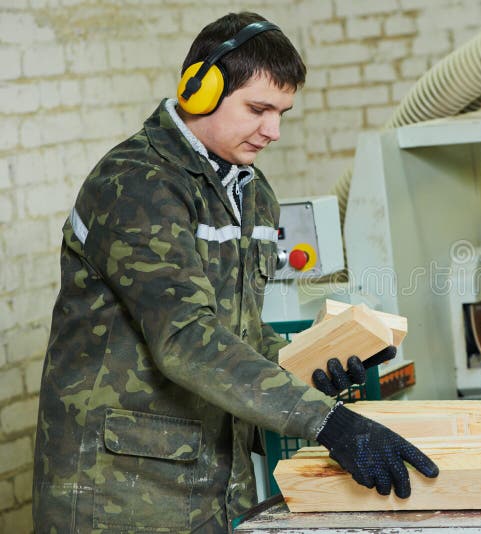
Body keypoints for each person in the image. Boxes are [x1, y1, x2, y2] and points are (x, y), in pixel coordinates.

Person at [32, 12, 437, 533]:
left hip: (214, 485)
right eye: (258, 109)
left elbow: (237, 332)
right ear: (200, 89)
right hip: (119, 494)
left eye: (282, 112)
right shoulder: (136, 184)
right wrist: (326, 421)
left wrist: (307, 365)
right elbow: (187, 339)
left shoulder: (252, 194)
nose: (273, 130)